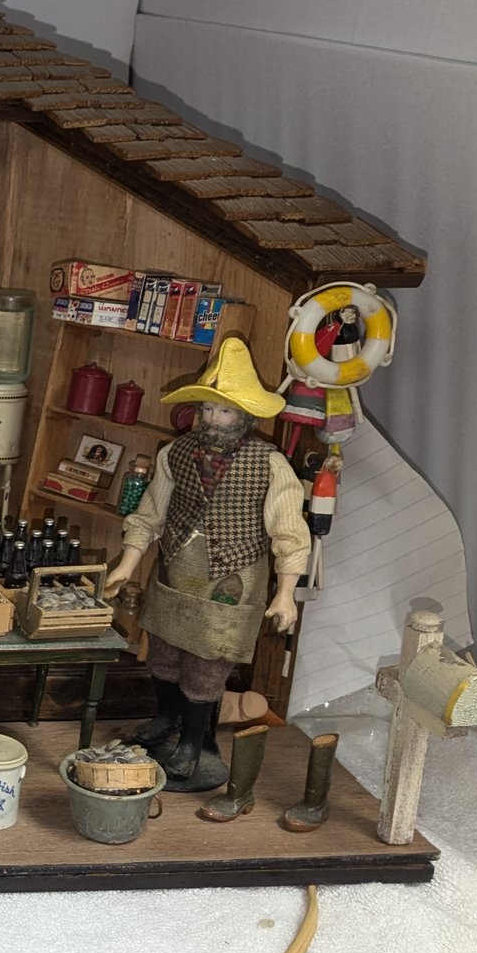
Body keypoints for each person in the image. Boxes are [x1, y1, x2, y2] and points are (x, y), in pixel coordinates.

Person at [108, 337, 310, 791]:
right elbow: (149, 516)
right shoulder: (175, 454)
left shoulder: (271, 465)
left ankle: (194, 743)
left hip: (230, 580)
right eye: (207, 409)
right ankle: (166, 719)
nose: (213, 419)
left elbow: (289, 533)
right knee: (163, 656)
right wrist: (127, 564)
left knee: (207, 665)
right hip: (176, 573)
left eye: (225, 411)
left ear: (246, 416)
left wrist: (285, 594)